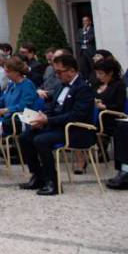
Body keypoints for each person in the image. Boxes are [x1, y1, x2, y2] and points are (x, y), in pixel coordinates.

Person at [18, 54, 96, 195]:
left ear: (72, 71)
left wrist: (48, 121)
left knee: (41, 141)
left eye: (59, 72)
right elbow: (52, 106)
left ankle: (52, 181)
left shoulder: (83, 88)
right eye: (56, 72)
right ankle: (38, 175)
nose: (57, 75)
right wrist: (41, 117)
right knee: (25, 137)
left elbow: (77, 115)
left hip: (75, 130)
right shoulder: (60, 85)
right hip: (57, 126)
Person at [93, 58, 126, 137]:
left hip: (109, 118)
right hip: (95, 116)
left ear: (110, 73)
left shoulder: (119, 86)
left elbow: (119, 106)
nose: (98, 76)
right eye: (96, 73)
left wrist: (104, 106)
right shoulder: (96, 85)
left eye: (101, 73)